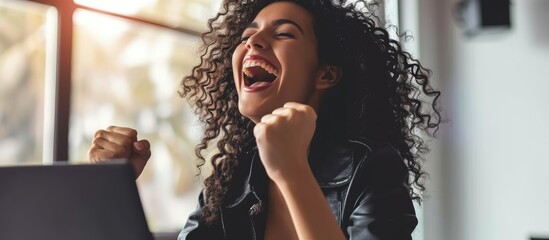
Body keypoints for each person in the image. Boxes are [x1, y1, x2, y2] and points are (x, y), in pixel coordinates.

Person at [88, 0, 441, 239]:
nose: (254, 40)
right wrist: (109, 187)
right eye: (247, 35)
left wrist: (291, 169)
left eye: (284, 33)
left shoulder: (370, 166)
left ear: (326, 75)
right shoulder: (232, 176)